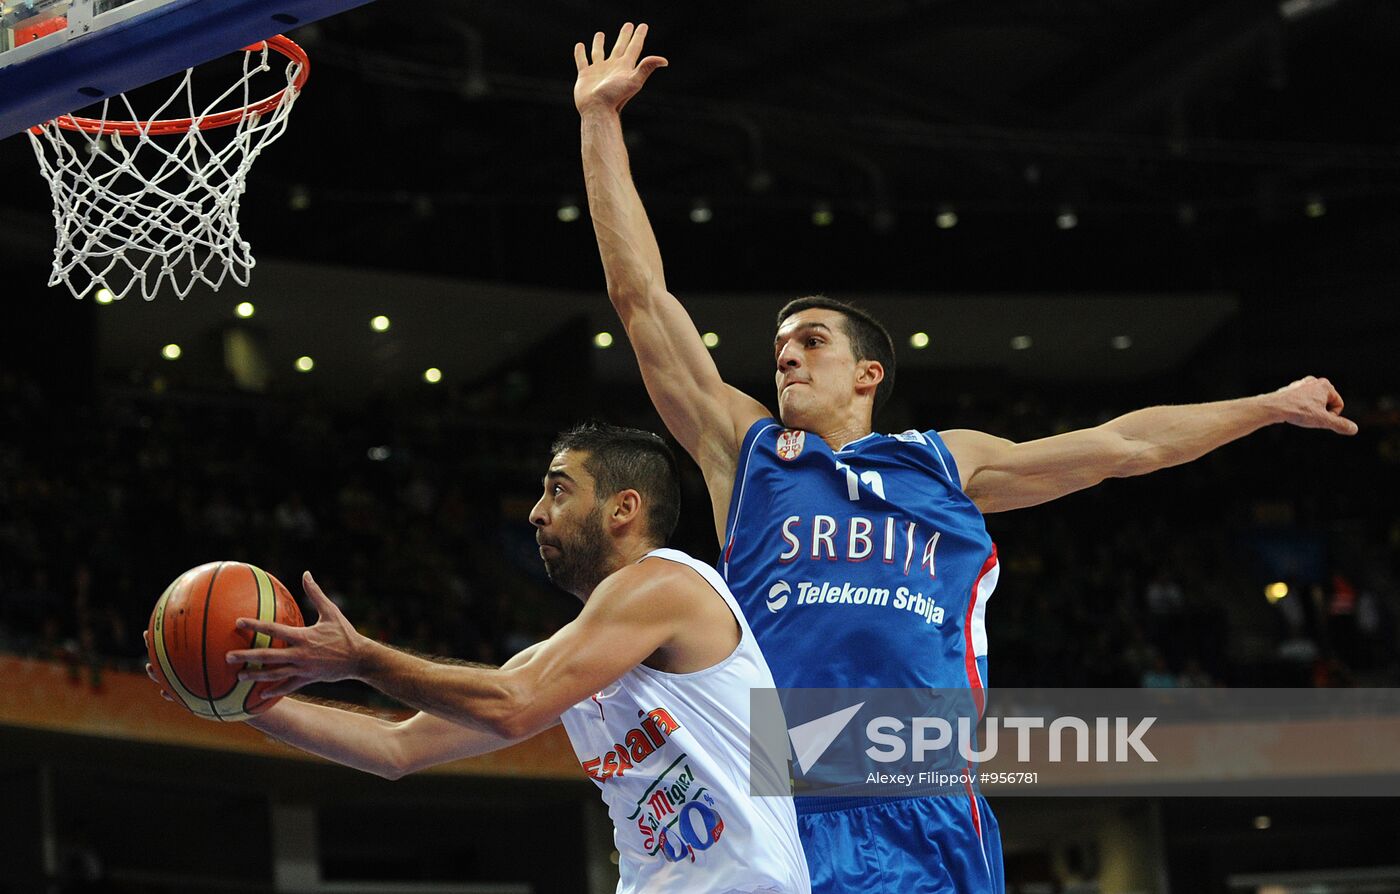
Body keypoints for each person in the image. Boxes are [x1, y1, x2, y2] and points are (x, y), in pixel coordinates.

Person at [571, 22, 1359, 894]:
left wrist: (1267, 407)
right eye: (779, 345)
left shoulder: (948, 464)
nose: (784, 355)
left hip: (926, 785)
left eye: (810, 341)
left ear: (868, 372)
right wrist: (600, 122)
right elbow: (642, 300)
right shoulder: (747, 450)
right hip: (782, 781)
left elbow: (1123, 446)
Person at [145, 423, 811, 894]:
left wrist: (360, 659)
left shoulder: (667, 584)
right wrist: (241, 701)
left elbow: (513, 708)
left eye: (558, 490)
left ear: (622, 509)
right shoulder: (576, 656)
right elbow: (395, 750)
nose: (534, 512)